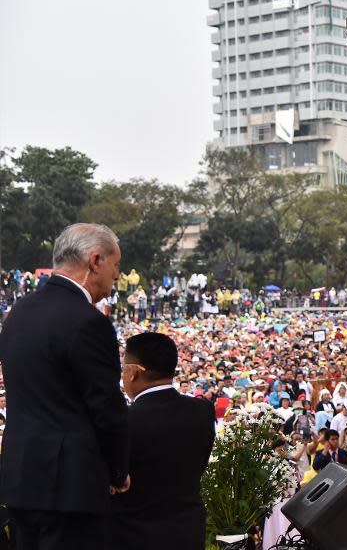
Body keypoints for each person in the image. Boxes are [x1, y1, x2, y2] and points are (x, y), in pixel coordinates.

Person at [0, 223, 129, 549]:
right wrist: (118, 470)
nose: (116, 281)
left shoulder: (18, 313)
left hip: (21, 479)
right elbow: (106, 407)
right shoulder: (88, 322)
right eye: (116, 267)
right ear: (95, 260)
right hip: (70, 487)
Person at [108, 332, 215, 550]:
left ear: (134, 372)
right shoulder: (202, 410)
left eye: (124, 367)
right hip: (187, 530)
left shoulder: (123, 421)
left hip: (134, 534)